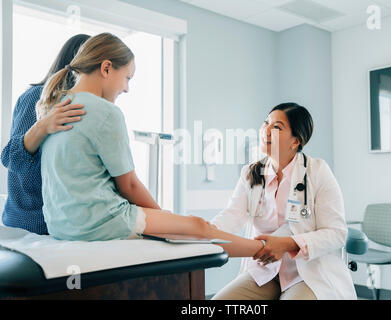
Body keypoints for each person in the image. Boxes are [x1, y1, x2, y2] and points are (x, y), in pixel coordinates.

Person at [36, 32, 264, 257]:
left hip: (60, 225)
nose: (127, 88)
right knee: (198, 227)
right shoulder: (106, 113)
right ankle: (264, 250)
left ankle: (262, 249)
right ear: (106, 68)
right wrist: (166, 218)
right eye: (127, 78)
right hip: (98, 222)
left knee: (189, 226)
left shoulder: (53, 109)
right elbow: (129, 186)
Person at [211, 103, 357, 300]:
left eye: (277, 127)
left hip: (307, 273)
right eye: (266, 123)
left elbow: (337, 233)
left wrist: (289, 244)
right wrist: (205, 231)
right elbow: (232, 215)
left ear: (295, 141)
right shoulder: (252, 173)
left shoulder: (317, 171)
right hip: (266, 271)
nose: (266, 130)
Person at [1, 34, 90, 234]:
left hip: (63, 221)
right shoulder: (36, 97)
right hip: (30, 222)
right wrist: (43, 126)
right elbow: (12, 158)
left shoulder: (83, 107)